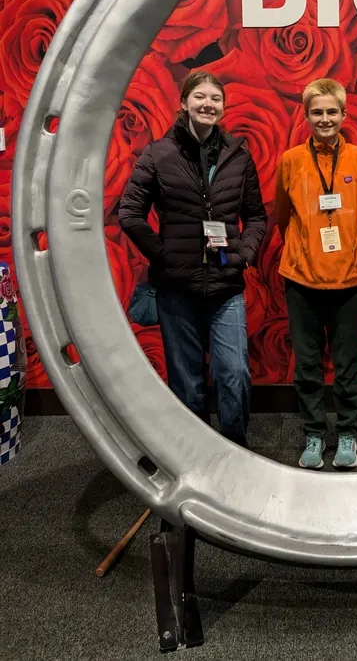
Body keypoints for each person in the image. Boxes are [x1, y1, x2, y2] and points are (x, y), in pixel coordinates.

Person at [118, 71, 267, 447]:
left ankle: (235, 452)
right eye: (200, 96)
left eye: (215, 98)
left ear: (223, 106)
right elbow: (130, 213)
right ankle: (197, 457)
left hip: (226, 285)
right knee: (187, 382)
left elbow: (257, 217)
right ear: (184, 102)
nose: (208, 104)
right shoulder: (158, 153)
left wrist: (244, 255)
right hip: (176, 289)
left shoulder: (238, 155)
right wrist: (163, 256)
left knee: (234, 375)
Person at [275, 78, 357, 470]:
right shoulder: (290, 160)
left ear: (344, 114)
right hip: (301, 278)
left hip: (350, 278)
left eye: (331, 111)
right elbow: (282, 214)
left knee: (348, 363)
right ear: (305, 116)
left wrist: (347, 243)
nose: (324, 118)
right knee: (307, 363)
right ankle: (315, 436)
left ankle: (348, 434)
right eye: (316, 112)